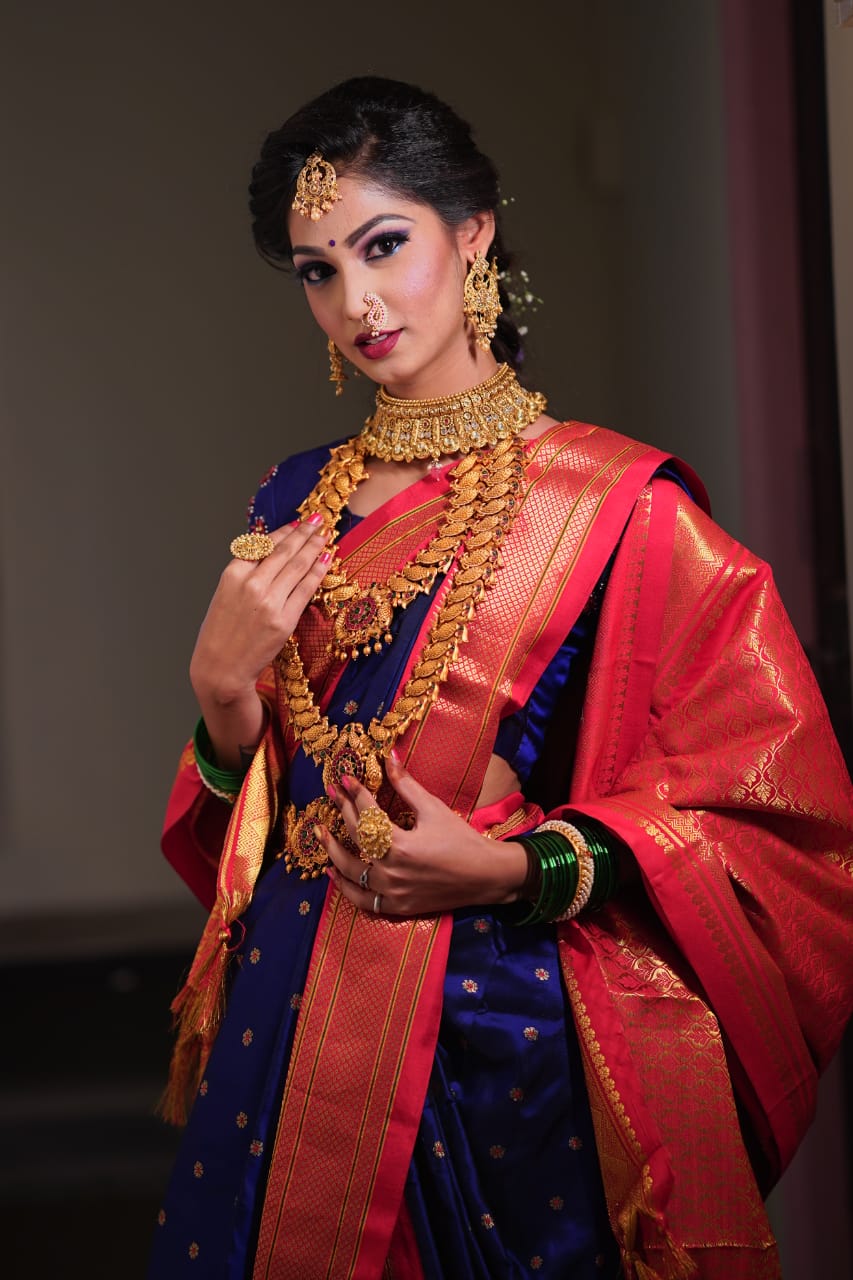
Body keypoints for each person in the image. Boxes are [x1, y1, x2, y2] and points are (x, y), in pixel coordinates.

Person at [148, 76, 853, 1280]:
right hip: (288, 1029)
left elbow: (765, 809)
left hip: (503, 1046)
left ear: (470, 231)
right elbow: (257, 828)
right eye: (318, 269)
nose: (356, 302)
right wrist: (221, 700)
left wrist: (515, 868)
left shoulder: (621, 508)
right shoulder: (291, 498)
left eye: (383, 244)